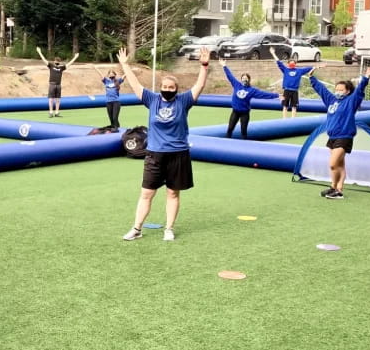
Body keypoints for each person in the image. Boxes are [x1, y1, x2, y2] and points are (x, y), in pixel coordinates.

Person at [117, 45, 210, 242]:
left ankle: (168, 228)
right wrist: (124, 65)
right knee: (146, 193)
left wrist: (204, 65)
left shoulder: (184, 101)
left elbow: (199, 86)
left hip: (178, 154)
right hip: (155, 154)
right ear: (160, 88)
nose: (167, 90)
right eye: (164, 87)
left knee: (172, 193)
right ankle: (136, 228)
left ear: (176, 89)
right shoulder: (152, 99)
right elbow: (134, 85)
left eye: (171, 88)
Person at [308, 64, 370, 199]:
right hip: (332, 136)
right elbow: (321, 90)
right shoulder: (331, 100)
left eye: (341, 90)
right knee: (339, 165)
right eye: (336, 89)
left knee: (333, 164)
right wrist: (311, 76)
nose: (338, 92)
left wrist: (366, 77)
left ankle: (335, 189)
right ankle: (337, 189)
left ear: (347, 91)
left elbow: (359, 90)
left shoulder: (351, 101)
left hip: (344, 136)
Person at [219, 60, 280, 140]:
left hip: (244, 113)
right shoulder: (236, 84)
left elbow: (264, 94)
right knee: (230, 129)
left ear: (249, 80)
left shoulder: (252, 90)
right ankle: (225, 144)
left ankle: (244, 147)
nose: (244, 79)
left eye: (246, 78)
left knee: (243, 131)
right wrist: (224, 66)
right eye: (243, 78)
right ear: (241, 79)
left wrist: (277, 95)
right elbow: (230, 76)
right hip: (235, 112)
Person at [270, 46, 315, 118]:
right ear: (288, 64)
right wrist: (273, 53)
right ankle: (284, 120)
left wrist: (316, 67)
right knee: (285, 106)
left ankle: (293, 120)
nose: (292, 64)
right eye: (290, 63)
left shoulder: (299, 71)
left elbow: (310, 67)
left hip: (295, 91)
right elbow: (278, 62)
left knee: (294, 107)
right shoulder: (285, 69)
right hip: (287, 90)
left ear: (295, 64)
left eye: (293, 63)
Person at [36, 47, 79, 117]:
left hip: (58, 85)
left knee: (58, 99)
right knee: (50, 99)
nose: (57, 63)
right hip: (52, 84)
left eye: (58, 62)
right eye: (56, 61)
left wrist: (75, 57)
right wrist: (39, 52)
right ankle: (50, 112)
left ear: (59, 62)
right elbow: (44, 60)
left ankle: (56, 112)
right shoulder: (51, 65)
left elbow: (70, 64)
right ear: (54, 61)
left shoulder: (61, 67)